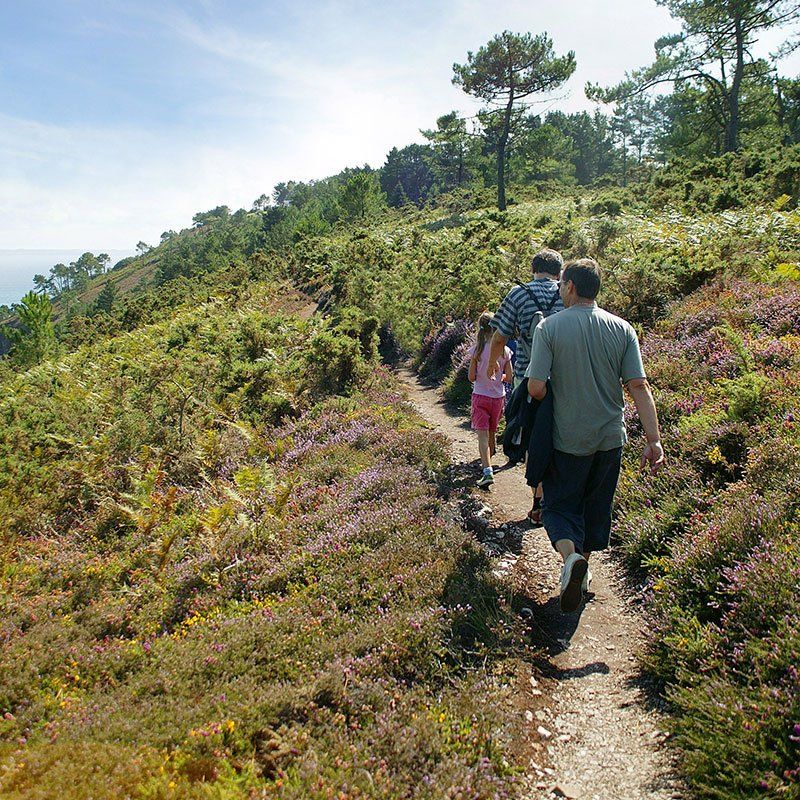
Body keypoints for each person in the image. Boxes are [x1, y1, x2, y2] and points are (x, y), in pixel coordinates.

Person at [525, 258, 665, 613]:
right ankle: (582, 575)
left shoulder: (549, 329)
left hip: (567, 440)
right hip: (610, 440)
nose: (558, 289)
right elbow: (639, 386)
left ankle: (571, 559)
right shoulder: (623, 329)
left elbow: (536, 387)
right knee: (593, 508)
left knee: (558, 506)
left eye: (561, 285)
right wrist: (654, 439)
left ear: (570, 285)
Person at [487, 248, 565, 515]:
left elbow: (499, 336)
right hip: (564, 378)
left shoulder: (519, 293)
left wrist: (491, 366)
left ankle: (537, 495)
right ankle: (559, 494)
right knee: (560, 435)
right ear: (559, 271)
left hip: (528, 376)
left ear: (534, 269)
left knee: (534, 436)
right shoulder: (568, 293)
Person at [468, 312, 513, 488]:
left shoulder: (477, 350)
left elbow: (471, 377)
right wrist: (498, 377)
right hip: (498, 397)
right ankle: (490, 458)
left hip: (480, 396)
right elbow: (509, 377)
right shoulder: (504, 350)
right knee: (492, 432)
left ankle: (487, 471)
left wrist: (481, 374)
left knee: (482, 435)